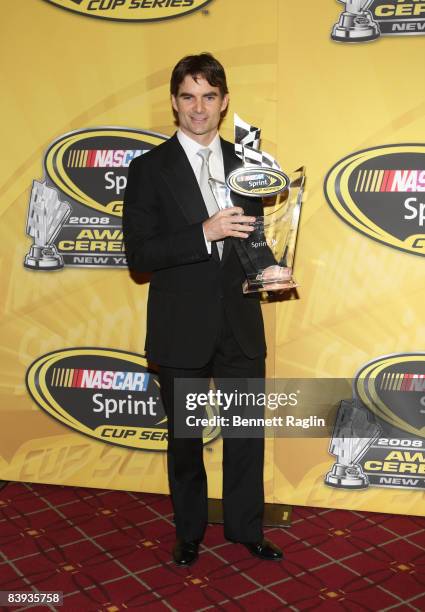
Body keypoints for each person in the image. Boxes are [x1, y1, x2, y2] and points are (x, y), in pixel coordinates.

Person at [123, 53, 283, 566]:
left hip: (239, 325)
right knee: (185, 440)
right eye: (188, 96)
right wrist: (203, 232)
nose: (199, 108)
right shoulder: (148, 169)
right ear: (174, 103)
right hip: (181, 328)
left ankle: (244, 529)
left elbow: (253, 241)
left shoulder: (250, 165)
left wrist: (272, 270)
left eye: (209, 96)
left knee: (244, 435)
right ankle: (189, 532)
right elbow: (140, 255)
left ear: (224, 101)